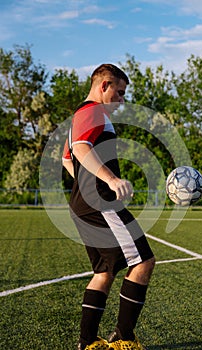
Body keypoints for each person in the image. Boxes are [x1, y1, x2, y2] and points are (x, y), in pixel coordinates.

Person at [62, 64, 155, 350]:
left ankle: (87, 343)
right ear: (104, 86)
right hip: (100, 202)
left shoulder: (80, 115)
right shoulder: (92, 111)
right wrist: (110, 180)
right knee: (143, 261)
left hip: (84, 203)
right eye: (120, 92)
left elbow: (67, 158)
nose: (122, 100)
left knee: (104, 272)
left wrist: (85, 185)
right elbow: (79, 150)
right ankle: (124, 338)